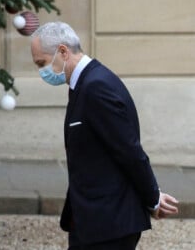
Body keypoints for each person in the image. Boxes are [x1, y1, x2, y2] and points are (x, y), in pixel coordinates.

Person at [30, 22, 179, 250]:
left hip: (108, 224)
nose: (42, 71)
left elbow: (128, 150)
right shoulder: (84, 84)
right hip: (94, 221)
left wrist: (153, 198)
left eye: (42, 63)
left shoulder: (96, 86)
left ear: (62, 51)